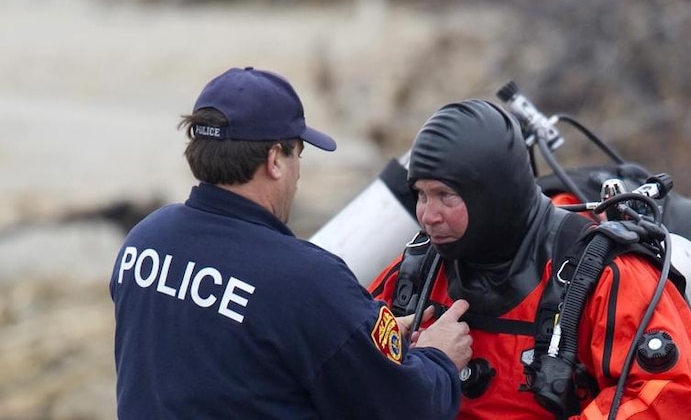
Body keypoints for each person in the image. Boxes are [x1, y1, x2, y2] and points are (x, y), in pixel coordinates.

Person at [110, 66, 472, 419]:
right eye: (298, 153)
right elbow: (408, 406)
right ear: (275, 161)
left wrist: (364, 338)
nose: (298, 171)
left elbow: (214, 356)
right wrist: (439, 359)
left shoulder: (144, 241)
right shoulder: (306, 280)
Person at [369, 99, 691, 419]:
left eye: (446, 195)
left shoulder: (605, 277)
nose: (428, 216)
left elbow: (669, 400)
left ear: (495, 195)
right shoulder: (415, 275)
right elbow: (337, 368)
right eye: (421, 194)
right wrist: (399, 356)